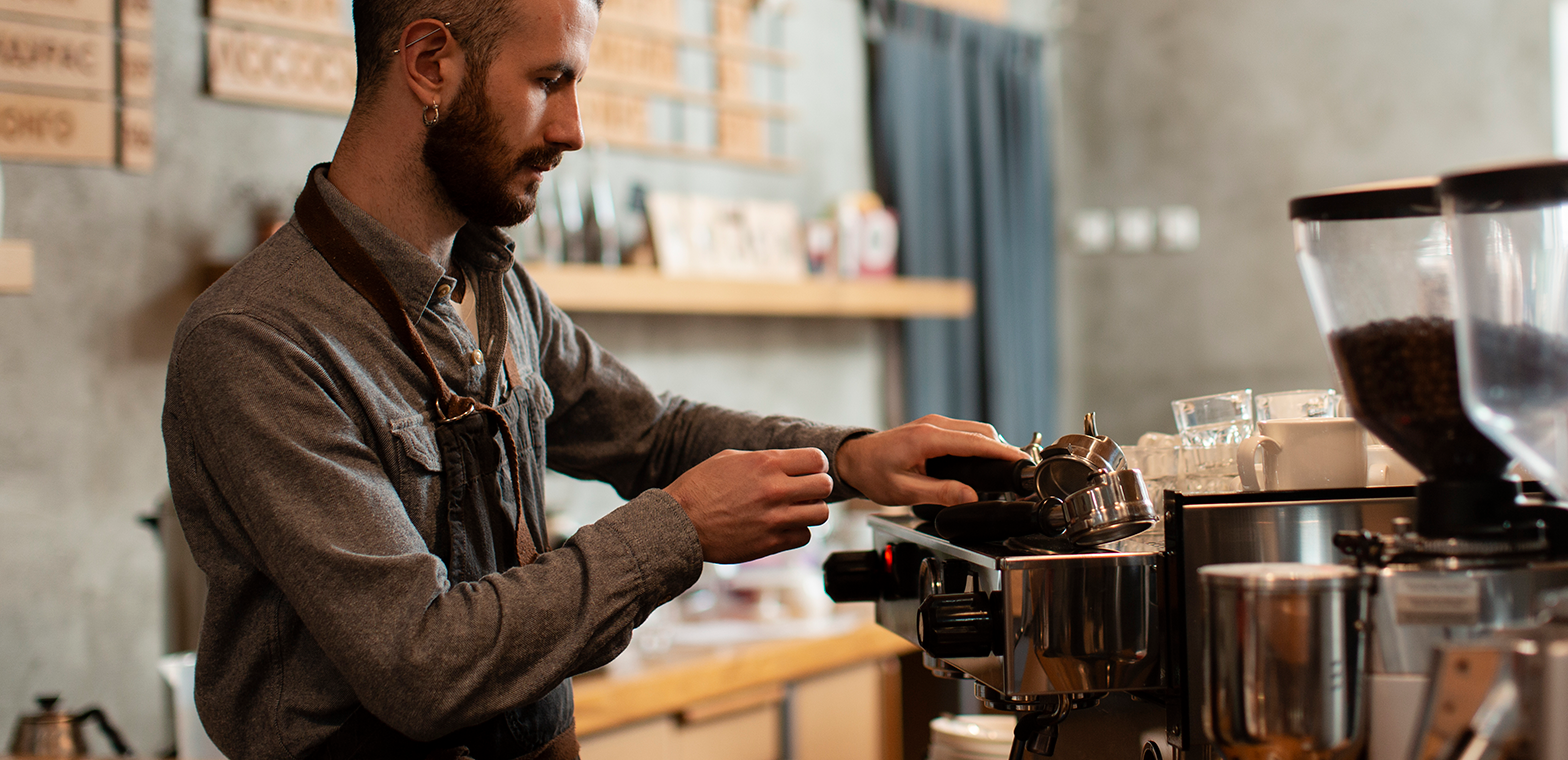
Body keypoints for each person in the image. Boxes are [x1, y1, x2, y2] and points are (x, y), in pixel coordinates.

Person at [160, 0, 1026, 757]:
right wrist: (678, 528)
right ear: (430, 64)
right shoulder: (257, 340)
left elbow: (652, 433)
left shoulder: (495, 287)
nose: (573, 130)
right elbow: (419, 662)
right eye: (550, 80)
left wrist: (854, 457)